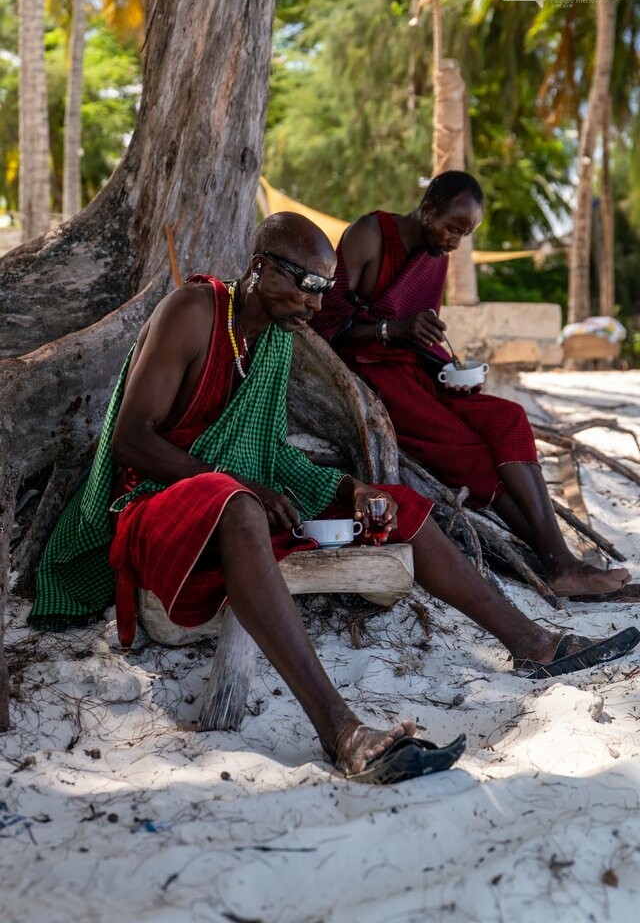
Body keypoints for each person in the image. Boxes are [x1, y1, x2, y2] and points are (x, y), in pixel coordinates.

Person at [30, 212, 639, 783]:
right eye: (308, 285)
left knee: (392, 502)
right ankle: (341, 732)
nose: (319, 302)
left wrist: (352, 490)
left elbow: (267, 455)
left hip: (228, 497)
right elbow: (134, 439)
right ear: (261, 267)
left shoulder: (274, 340)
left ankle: (531, 644)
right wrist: (241, 485)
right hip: (155, 505)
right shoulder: (193, 310)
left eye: (325, 288)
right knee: (238, 502)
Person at [311, 171, 631, 599]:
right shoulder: (370, 234)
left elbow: (420, 335)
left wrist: (450, 371)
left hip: (416, 371)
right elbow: (324, 327)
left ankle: (562, 562)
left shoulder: (435, 255)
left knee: (509, 418)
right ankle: (560, 563)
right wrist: (392, 331)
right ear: (427, 211)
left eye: (465, 235)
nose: (454, 242)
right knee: (471, 451)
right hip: (367, 376)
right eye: (451, 228)